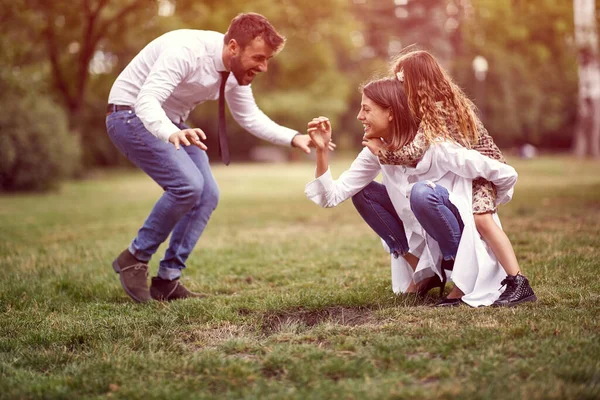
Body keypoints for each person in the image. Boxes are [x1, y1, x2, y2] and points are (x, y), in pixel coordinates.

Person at [105, 13, 329, 303]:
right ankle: (134, 258)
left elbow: (248, 116)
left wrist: (292, 137)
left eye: (267, 60)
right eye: (259, 58)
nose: (262, 67)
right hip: (130, 114)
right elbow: (147, 100)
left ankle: (168, 280)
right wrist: (168, 132)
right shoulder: (186, 51)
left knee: (207, 194)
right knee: (187, 186)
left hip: (171, 122)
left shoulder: (236, 73)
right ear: (233, 47)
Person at [305, 78, 519, 307]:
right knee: (363, 192)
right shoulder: (375, 150)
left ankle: (461, 275)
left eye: (366, 109)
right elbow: (332, 196)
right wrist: (321, 151)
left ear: (391, 112)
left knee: (422, 193)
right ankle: (423, 270)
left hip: (456, 230)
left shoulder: (435, 143)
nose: (360, 116)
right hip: (419, 234)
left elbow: (501, 172)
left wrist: (488, 207)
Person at [369, 50, 535, 307]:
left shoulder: (437, 110)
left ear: (415, 81)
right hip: (473, 172)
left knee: (483, 221)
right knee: (478, 223)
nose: (398, 87)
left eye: (401, 82)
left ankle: (518, 280)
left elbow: (416, 151)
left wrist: (381, 150)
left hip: (483, 171)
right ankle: (468, 278)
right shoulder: (442, 103)